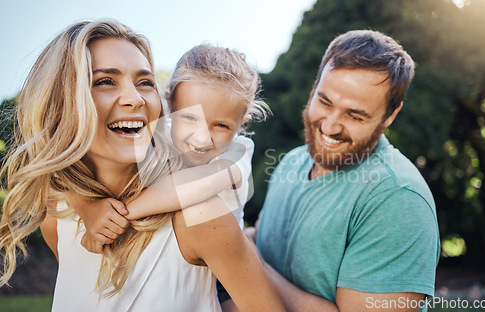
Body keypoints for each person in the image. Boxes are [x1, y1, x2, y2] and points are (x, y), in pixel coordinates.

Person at [0, 20, 284, 312]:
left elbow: (187, 188)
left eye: (144, 82)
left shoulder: (205, 210)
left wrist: (122, 215)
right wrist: (85, 203)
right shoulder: (58, 213)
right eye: (105, 81)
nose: (135, 99)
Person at [228, 30, 440, 312]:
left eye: (355, 115)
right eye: (324, 102)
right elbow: (265, 240)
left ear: (390, 115)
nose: (330, 126)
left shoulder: (398, 199)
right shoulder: (293, 161)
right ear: (314, 87)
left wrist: (244, 259)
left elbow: (250, 256)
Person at [69, 43, 264, 254]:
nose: (202, 138)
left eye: (221, 126)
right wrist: (87, 206)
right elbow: (68, 169)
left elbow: (201, 185)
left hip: (221, 271)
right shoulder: (158, 135)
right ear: (169, 104)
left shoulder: (237, 153)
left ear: (241, 124)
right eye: (189, 117)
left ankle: (254, 237)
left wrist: (117, 216)